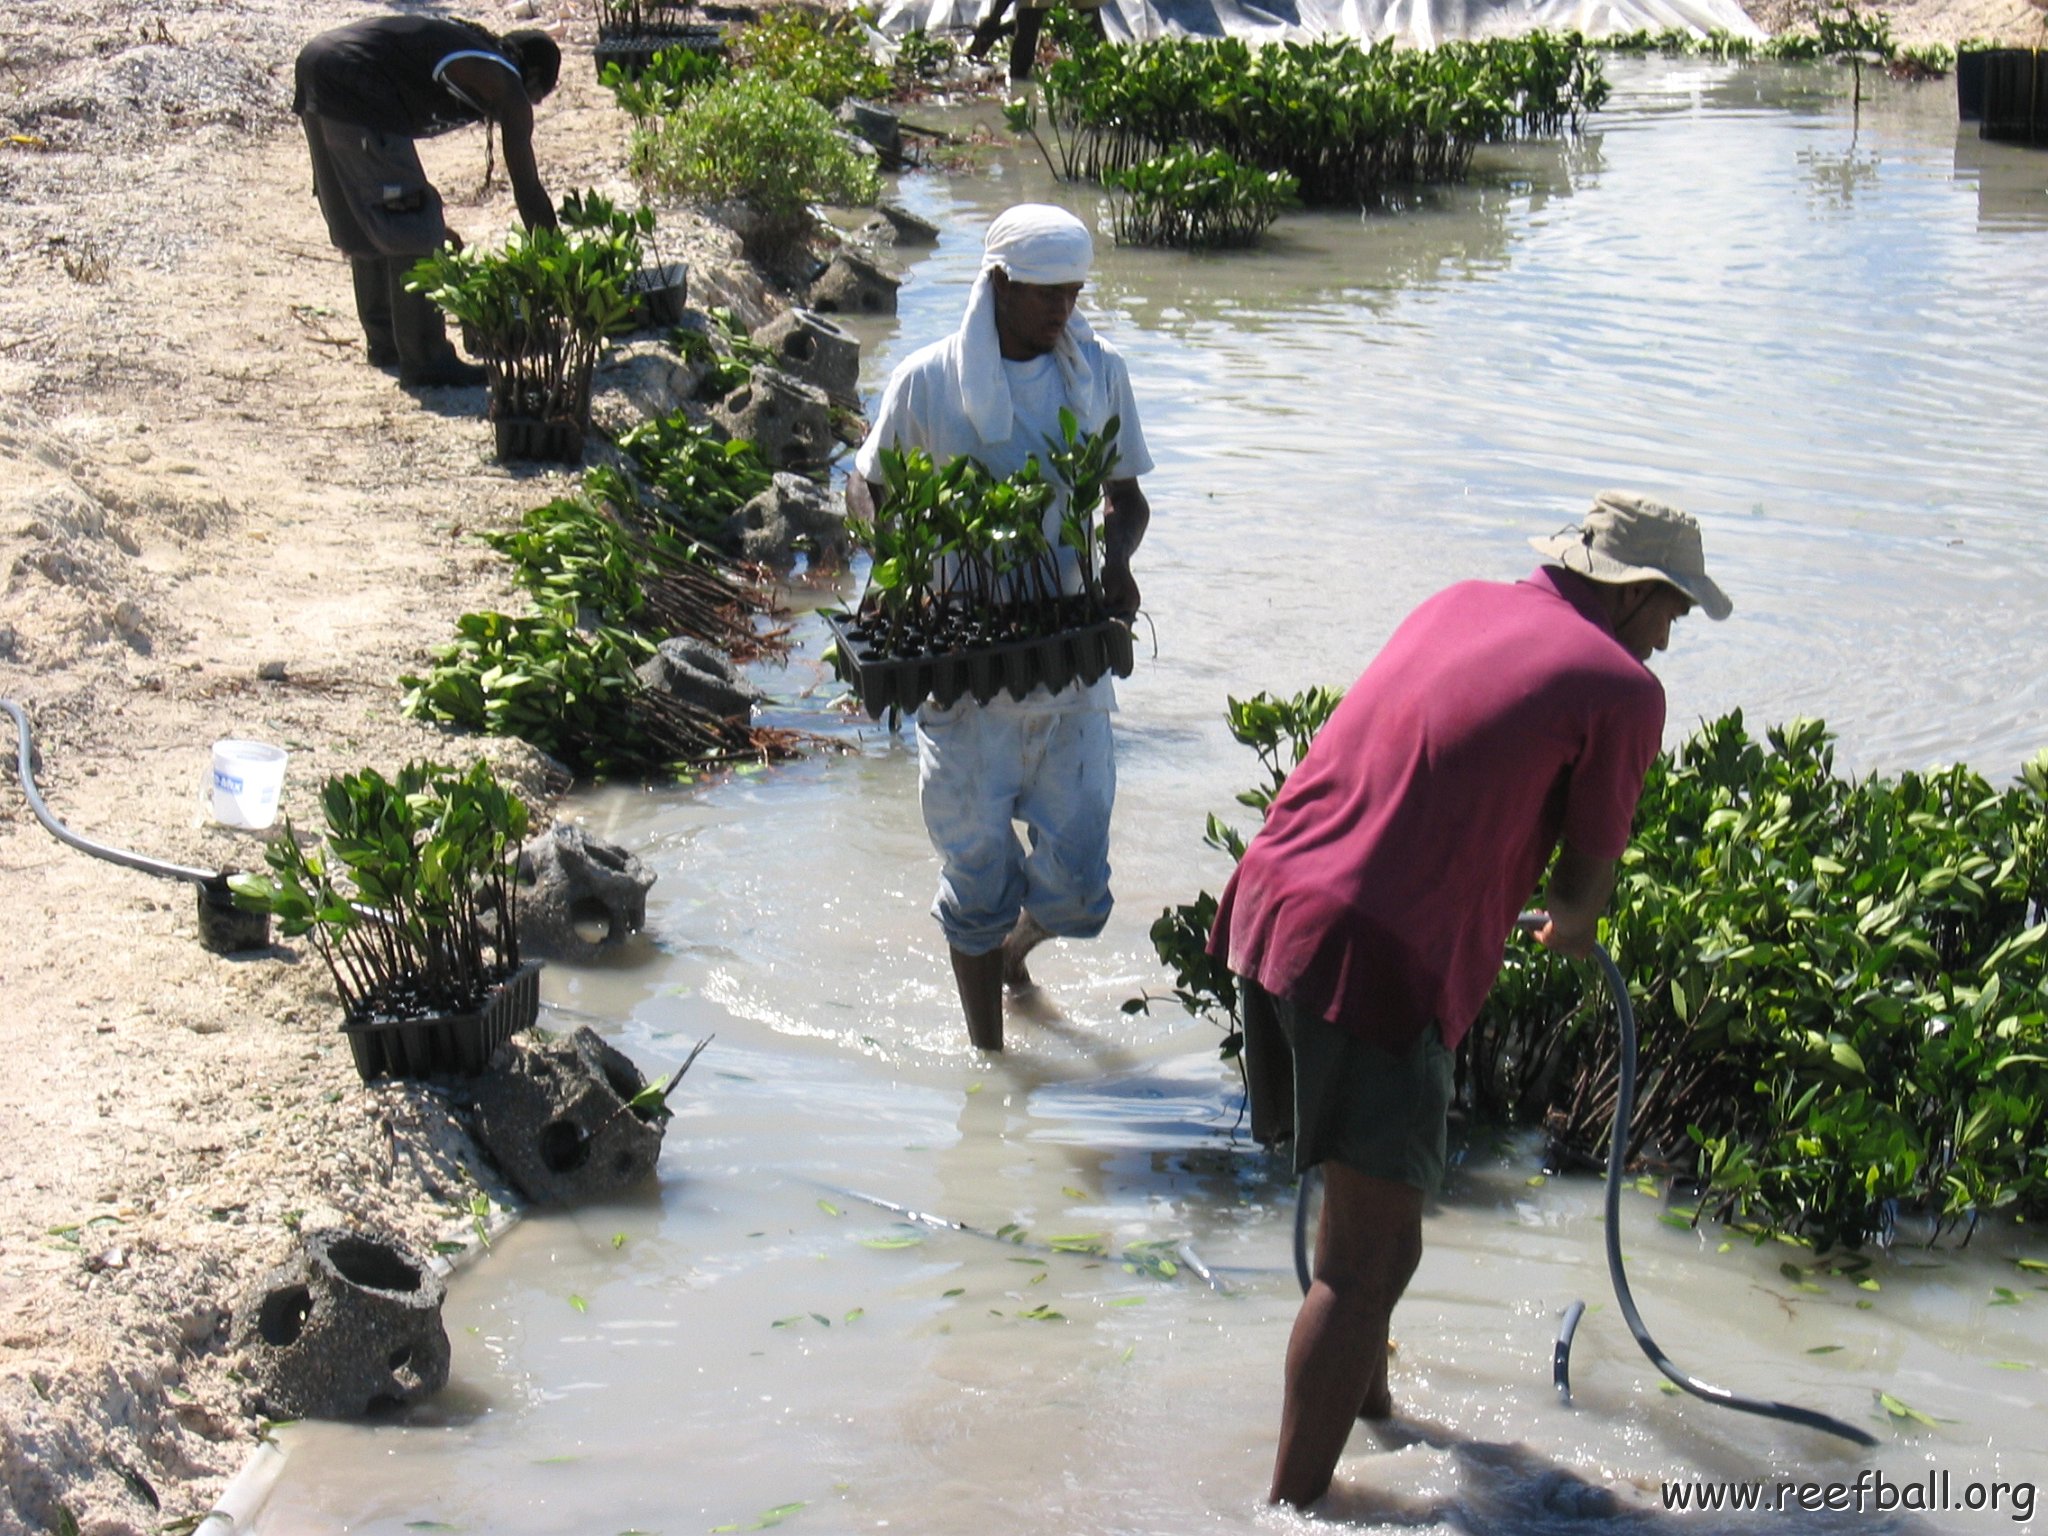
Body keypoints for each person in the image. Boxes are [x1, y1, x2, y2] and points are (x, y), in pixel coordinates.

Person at [1208, 491, 1732, 1509]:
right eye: (1673, 611)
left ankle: (1371, 1419)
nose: (1669, 639)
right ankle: (1291, 1514)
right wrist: (1568, 927)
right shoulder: (1619, 689)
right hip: (1368, 956)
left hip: (1266, 903)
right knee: (1369, 1259)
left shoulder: (1457, 600)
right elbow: (1580, 891)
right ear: (1635, 595)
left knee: (1358, 1237)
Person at [848, 204, 1154, 1052]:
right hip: (960, 661)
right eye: (1046, 295)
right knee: (976, 878)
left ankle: (1017, 955)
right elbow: (866, 484)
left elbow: (1125, 499)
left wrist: (1117, 560)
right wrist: (891, 562)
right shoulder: (928, 381)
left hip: (1067, 661)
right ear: (998, 287)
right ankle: (990, 1066)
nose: (1064, 311)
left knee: (1081, 891)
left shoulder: (1098, 375)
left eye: (1074, 293)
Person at [292, 15, 562, 387]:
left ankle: (386, 343)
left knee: (365, 218)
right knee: (412, 221)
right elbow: (528, 190)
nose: (526, 107)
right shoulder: (502, 79)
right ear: (531, 78)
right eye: (536, 98)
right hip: (352, 76)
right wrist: (559, 270)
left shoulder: (471, 55)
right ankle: (426, 359)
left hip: (319, 64)